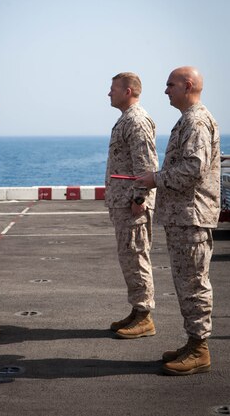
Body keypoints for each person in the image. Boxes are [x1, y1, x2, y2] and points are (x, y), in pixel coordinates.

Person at [136, 66, 220, 375]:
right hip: (184, 216)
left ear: (188, 86)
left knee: (194, 283)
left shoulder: (196, 121)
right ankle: (193, 342)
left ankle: (199, 349)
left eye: (171, 84)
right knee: (187, 282)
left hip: (192, 217)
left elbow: (193, 170)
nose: (166, 90)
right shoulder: (189, 119)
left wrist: (153, 179)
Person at [105, 72, 159, 339]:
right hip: (124, 203)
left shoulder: (136, 121)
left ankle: (144, 316)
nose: (108, 93)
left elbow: (146, 166)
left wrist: (139, 199)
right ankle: (137, 311)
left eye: (113, 89)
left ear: (128, 91)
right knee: (130, 257)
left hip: (132, 205)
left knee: (137, 257)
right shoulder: (126, 120)